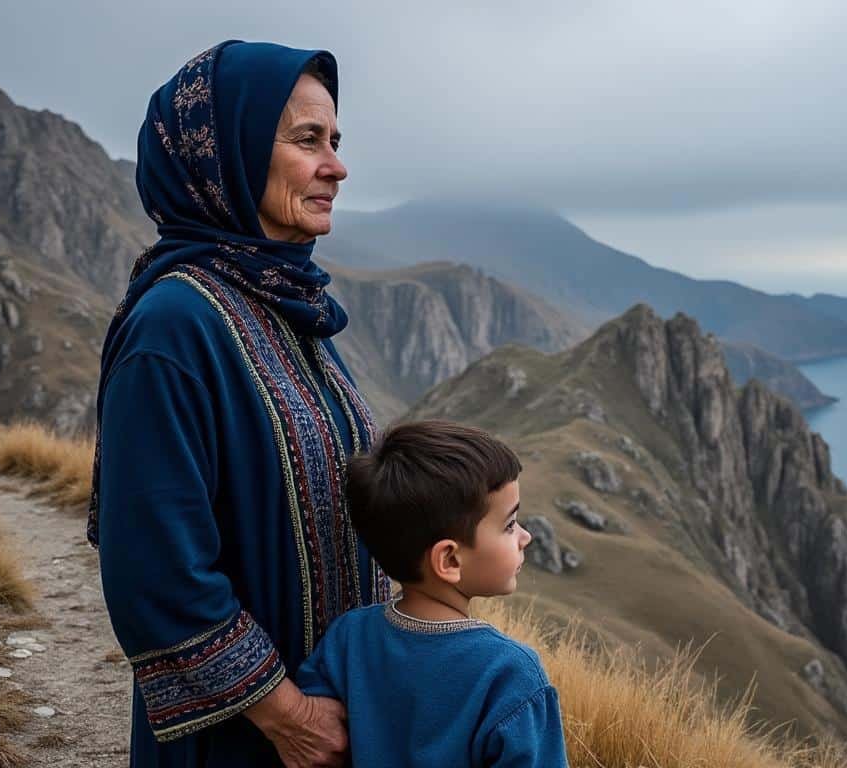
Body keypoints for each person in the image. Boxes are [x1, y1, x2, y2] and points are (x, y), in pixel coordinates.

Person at [90, 40, 390, 768]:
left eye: (337, 141)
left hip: (332, 723)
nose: (337, 167)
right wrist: (287, 716)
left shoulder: (291, 306)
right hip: (241, 742)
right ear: (227, 153)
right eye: (307, 140)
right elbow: (155, 569)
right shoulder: (174, 327)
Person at [293, 420, 569, 767]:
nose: (525, 536)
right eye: (510, 525)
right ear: (450, 559)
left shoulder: (348, 638)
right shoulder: (511, 675)